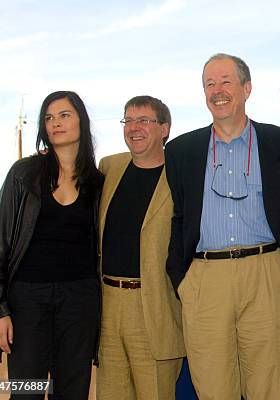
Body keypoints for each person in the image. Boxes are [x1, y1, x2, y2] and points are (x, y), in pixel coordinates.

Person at [165, 53, 280, 399]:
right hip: (206, 279)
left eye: (225, 81)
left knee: (268, 384)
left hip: (266, 274)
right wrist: (184, 282)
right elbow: (176, 217)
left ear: (247, 88)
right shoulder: (181, 150)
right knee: (212, 386)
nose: (217, 90)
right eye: (209, 84)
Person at [0, 91, 103, 399]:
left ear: (81, 121)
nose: (55, 123)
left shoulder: (98, 181)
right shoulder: (23, 174)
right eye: (49, 118)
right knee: (27, 391)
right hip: (28, 300)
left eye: (64, 115)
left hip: (80, 301)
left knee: (73, 391)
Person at [96, 96, 185, 399]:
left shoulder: (180, 176)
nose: (134, 128)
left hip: (154, 308)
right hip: (108, 305)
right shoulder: (109, 167)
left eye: (143, 120)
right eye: (128, 120)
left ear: (164, 129)